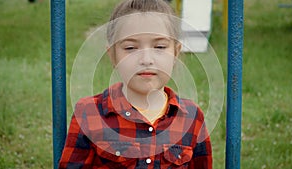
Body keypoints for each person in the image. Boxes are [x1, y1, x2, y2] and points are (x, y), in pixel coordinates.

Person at [58, 0, 212, 168]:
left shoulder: (192, 117)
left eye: (159, 47)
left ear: (175, 53)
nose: (146, 60)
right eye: (131, 48)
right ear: (113, 56)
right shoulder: (89, 113)